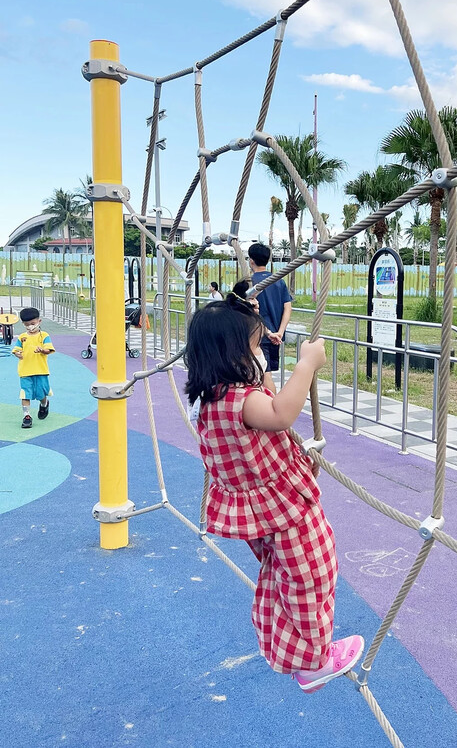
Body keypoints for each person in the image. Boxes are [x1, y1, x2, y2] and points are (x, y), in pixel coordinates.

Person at [184, 299, 363, 693]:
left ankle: (297, 651)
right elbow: (282, 414)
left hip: (257, 512)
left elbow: (258, 439)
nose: (260, 354)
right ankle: (314, 663)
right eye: (253, 347)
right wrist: (307, 363)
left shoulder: (211, 399)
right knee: (312, 576)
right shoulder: (240, 401)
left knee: (285, 576)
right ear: (231, 354)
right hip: (282, 510)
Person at [248, 242, 291, 375]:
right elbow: (288, 308)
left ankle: (271, 397)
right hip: (275, 336)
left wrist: (269, 333)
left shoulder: (249, 283)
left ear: (251, 261)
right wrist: (280, 332)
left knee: (263, 376)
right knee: (267, 373)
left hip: (258, 335)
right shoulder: (278, 281)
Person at [12, 307, 55, 429]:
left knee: (41, 393)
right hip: (25, 371)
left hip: (40, 370)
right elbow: (16, 349)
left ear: (39, 321)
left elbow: (48, 349)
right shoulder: (22, 337)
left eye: (33, 323)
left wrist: (42, 350)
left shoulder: (44, 336)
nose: (30, 326)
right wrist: (17, 353)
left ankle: (44, 404)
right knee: (25, 393)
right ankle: (27, 416)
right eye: (27, 324)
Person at [230, 279, 276, 393]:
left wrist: (269, 333)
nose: (256, 302)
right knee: (266, 377)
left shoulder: (254, 319)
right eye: (251, 298)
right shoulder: (238, 321)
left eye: (256, 298)